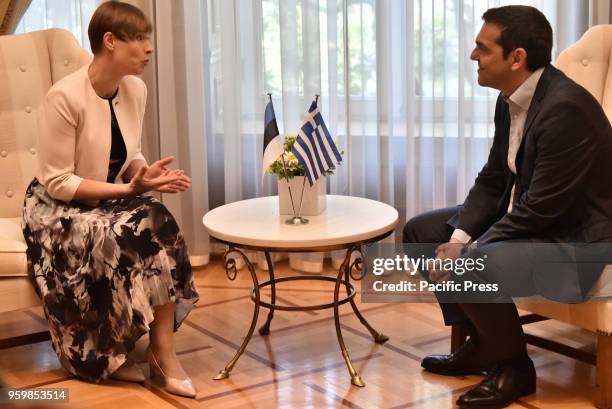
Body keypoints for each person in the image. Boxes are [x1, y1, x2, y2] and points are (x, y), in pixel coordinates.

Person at [403, 5, 612, 409]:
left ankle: (516, 368)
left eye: (482, 48)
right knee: (422, 234)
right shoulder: (511, 99)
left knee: (468, 263)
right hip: (539, 224)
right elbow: (494, 178)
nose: (472, 56)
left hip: (578, 244)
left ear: (517, 58)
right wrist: (460, 235)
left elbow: (541, 210)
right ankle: (481, 346)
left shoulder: (565, 109)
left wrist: (466, 250)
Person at [21, 2, 200, 398]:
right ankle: (105, 355)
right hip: (55, 209)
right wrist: (127, 191)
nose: (148, 47)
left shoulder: (136, 88)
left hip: (105, 194)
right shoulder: (63, 97)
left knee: (158, 220)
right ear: (110, 42)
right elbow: (59, 181)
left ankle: (162, 353)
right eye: (139, 38)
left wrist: (143, 174)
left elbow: (128, 153)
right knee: (107, 235)